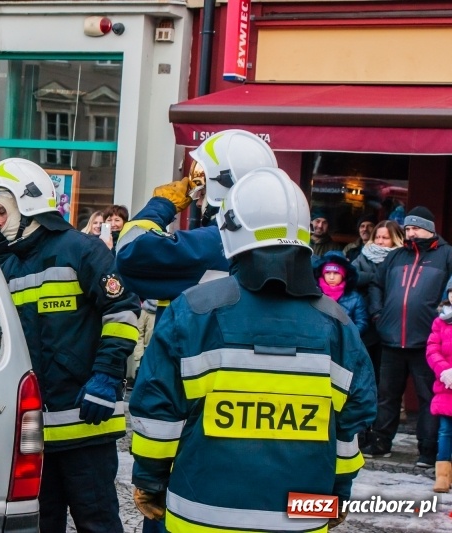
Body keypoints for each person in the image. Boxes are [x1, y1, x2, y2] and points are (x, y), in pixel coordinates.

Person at [129, 167, 376, 532]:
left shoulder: (192, 311)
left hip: (202, 516)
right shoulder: (338, 325)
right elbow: (350, 426)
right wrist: (338, 492)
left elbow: (158, 410)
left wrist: (150, 481)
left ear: (230, 232)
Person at [0, 157, 140, 533]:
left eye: (0, 210)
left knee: (97, 523)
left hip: (85, 423)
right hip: (32, 436)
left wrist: (106, 377)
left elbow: (124, 312)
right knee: (38, 525)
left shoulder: (83, 251)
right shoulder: (1, 262)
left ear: (28, 205)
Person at [115, 128, 276, 321]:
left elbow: (128, 255)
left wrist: (160, 205)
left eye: (202, 190)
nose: (198, 201)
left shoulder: (213, 243)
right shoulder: (278, 246)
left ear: (221, 187)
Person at [364, 206, 452, 467]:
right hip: (391, 337)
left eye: (415, 228)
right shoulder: (395, 257)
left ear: (429, 228)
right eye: (408, 228)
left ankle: (427, 450)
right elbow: (376, 285)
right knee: (387, 395)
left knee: (429, 398)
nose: (410, 233)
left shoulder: (446, 255)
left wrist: (442, 319)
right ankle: (380, 443)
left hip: (427, 341)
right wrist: (378, 314)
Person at [352, 219, 405, 384]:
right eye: (378, 237)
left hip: (390, 317)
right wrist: (375, 278)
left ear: (395, 239)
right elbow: (351, 276)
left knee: (385, 367)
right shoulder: (364, 255)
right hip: (365, 317)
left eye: (385, 238)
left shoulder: (401, 258)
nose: (380, 241)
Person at [426, 277, 452, 493]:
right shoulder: (440, 321)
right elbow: (432, 349)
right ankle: (442, 475)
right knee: (445, 431)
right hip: (447, 386)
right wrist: (444, 371)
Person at [314, 251, 368, 336]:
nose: (331, 277)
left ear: (343, 275)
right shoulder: (315, 295)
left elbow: (361, 323)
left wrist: (346, 338)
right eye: (327, 273)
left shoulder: (355, 298)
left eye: (336, 273)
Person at [128, 299, 157, 384]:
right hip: (144, 352)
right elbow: (139, 335)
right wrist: (138, 358)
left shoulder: (167, 309)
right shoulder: (144, 311)